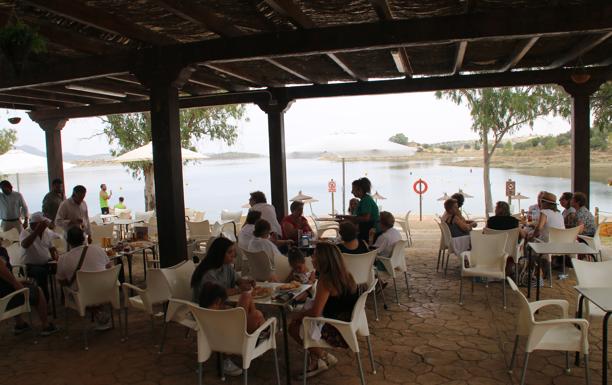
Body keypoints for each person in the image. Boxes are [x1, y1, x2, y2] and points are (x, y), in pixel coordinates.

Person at [289, 242, 364, 378]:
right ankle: (316, 361)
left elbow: (316, 313)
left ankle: (324, 357)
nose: (311, 258)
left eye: (314, 255)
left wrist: (298, 315)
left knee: (293, 327)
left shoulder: (326, 280)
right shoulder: (346, 275)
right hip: (349, 324)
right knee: (304, 321)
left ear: (322, 259)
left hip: (337, 330)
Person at [198, 282, 265, 377]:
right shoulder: (224, 315)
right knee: (256, 313)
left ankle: (261, 331)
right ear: (217, 301)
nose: (224, 305)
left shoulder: (200, 313)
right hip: (237, 343)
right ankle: (261, 335)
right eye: (223, 303)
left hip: (212, 343)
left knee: (247, 299)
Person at [56, 226, 112, 330]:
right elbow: (109, 268)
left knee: (76, 291)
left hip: (82, 296)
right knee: (90, 289)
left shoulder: (63, 259)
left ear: (68, 241)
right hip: (104, 291)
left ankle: (97, 312)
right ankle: (98, 311)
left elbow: (62, 282)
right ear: (83, 238)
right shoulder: (98, 249)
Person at [0, 245, 58, 336]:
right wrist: (17, 284)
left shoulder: (2, 250)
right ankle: (46, 325)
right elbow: (2, 270)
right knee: (37, 291)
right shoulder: (1, 252)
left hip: (6, 293)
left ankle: (20, 324)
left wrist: (18, 281)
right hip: (5, 298)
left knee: (18, 289)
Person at [190, 237, 254, 302]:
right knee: (246, 299)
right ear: (219, 254)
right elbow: (219, 294)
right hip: (207, 308)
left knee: (249, 302)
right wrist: (239, 290)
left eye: (233, 251)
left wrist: (247, 282)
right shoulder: (208, 273)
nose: (233, 255)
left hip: (222, 303)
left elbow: (238, 280)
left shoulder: (225, 265)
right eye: (229, 252)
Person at [19, 212, 60, 301]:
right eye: (42, 224)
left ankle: (65, 297)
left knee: (63, 267)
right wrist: (37, 231)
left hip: (46, 262)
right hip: (30, 266)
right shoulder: (25, 232)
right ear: (34, 225)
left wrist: (55, 259)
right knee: (41, 273)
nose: (45, 226)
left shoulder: (46, 232)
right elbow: (25, 244)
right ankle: (44, 301)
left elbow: (51, 247)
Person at [337, 177, 380, 242]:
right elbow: (358, 216)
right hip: (366, 229)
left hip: (369, 232)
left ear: (359, 190)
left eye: (353, 189)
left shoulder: (366, 200)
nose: (351, 192)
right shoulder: (365, 199)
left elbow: (366, 218)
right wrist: (343, 217)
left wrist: (347, 221)